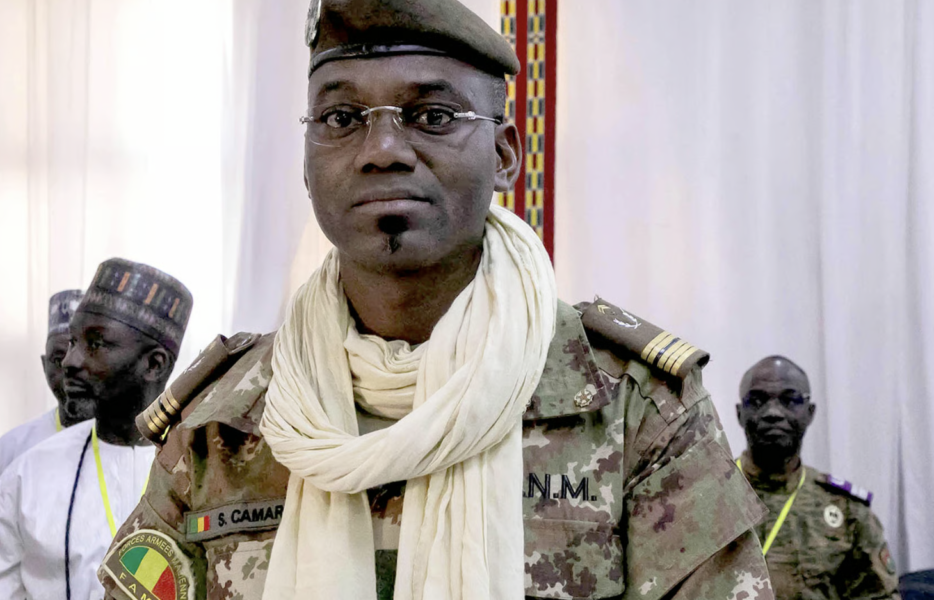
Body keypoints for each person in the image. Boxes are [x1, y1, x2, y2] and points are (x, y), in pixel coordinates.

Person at [98, 1, 773, 599]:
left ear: (504, 155)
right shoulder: (223, 423)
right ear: (305, 163)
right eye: (341, 117)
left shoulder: (630, 409)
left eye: (433, 116)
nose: (383, 149)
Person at [0, 258, 192, 600]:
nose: (70, 361)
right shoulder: (29, 474)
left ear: (154, 364)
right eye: (72, 342)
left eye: (95, 343)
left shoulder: (204, 468)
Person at [736, 355, 900, 600]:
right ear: (739, 413)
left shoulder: (846, 509)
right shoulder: (702, 497)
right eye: (757, 400)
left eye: (790, 400)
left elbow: (879, 596)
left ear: (810, 413)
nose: (773, 412)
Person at [0, 289, 91, 511]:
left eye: (84, 356)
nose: (70, 368)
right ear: (44, 365)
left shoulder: (136, 448)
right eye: (58, 359)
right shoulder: (10, 450)